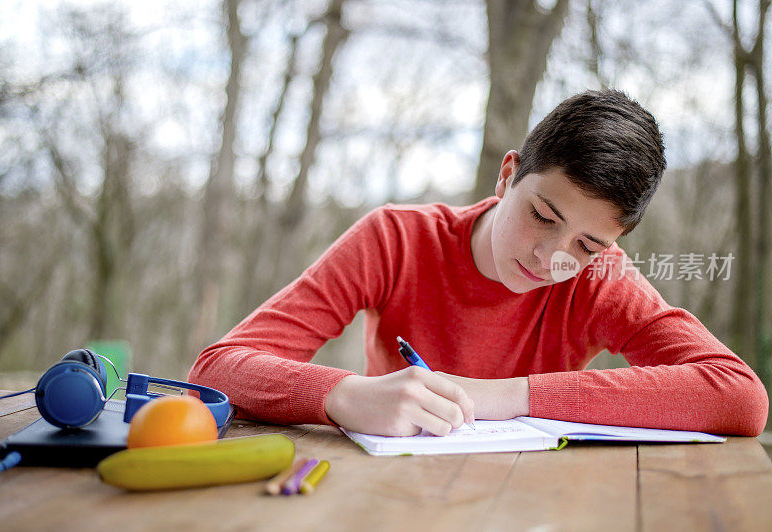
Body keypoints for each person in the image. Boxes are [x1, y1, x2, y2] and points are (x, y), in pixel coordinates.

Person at [188, 89, 768, 438]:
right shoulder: (397, 238)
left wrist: (509, 396)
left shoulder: (599, 278)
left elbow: (738, 395)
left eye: (588, 245)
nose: (552, 257)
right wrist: (341, 394)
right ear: (508, 174)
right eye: (542, 215)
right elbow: (216, 368)